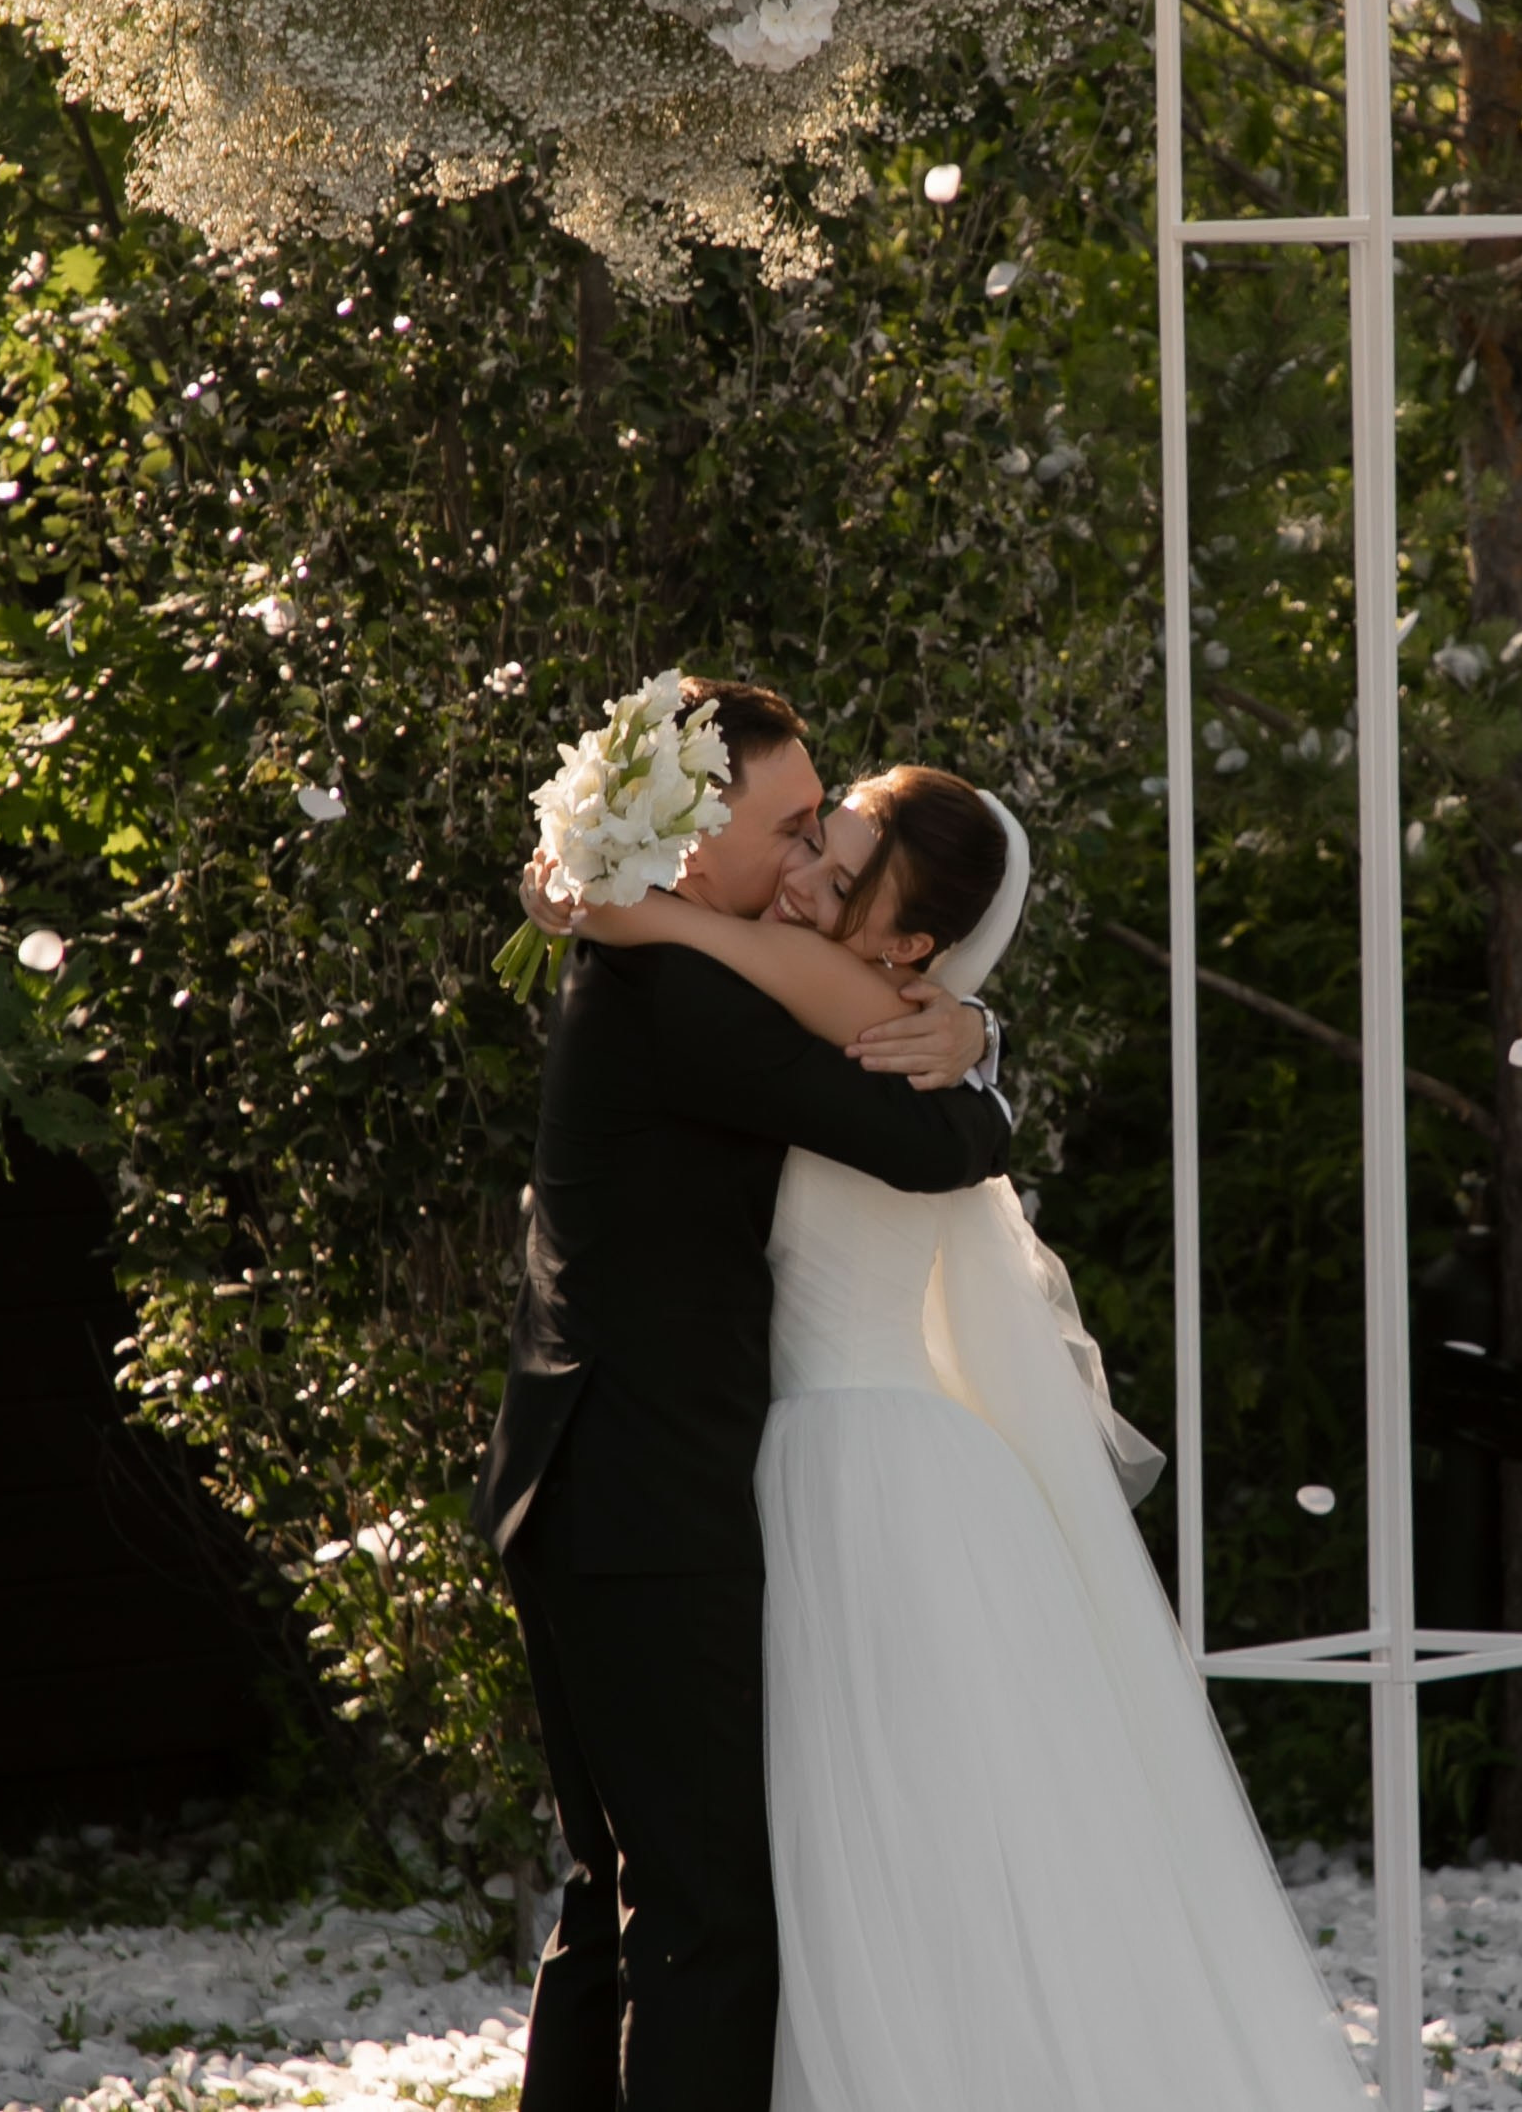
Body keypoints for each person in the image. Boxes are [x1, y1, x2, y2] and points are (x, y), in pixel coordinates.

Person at [579, 768, 1372, 2112]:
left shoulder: (855, 1010)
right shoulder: (886, 1012)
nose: (805, 874)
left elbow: (715, 946)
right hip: (881, 1458)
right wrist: (980, 1031)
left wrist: (618, 901)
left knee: (891, 1850)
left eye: (842, 868)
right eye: (816, 840)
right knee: (918, 1851)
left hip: (853, 1468)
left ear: (911, 943)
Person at [472, 681, 1012, 2112]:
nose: (804, 858)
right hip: (648, 1497)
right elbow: (930, 1148)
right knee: (705, 1920)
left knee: (618, 1895)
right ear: (692, 831)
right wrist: (976, 1071)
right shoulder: (689, 995)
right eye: (792, 827)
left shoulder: (656, 958)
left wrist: (973, 1032)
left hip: (572, 1474)